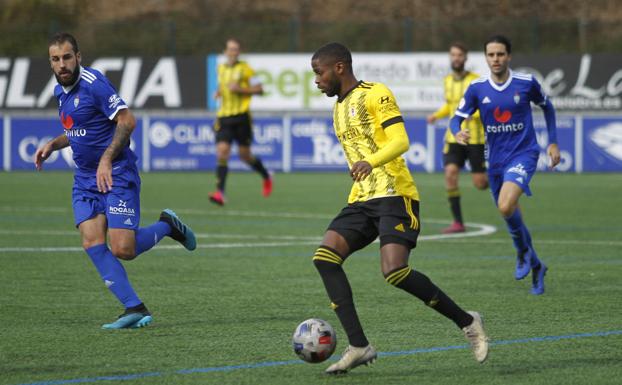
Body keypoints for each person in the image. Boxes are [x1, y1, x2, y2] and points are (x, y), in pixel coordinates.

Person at [310, 42, 488, 375]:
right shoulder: (337, 108)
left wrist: (370, 161)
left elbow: (401, 141)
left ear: (339, 68)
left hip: (395, 193)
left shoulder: (376, 93)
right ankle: (359, 346)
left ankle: (468, 322)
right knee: (324, 258)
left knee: (394, 271)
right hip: (361, 198)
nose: (316, 81)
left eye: (318, 73)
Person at [35, 32, 197, 329]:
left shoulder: (95, 85)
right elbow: (79, 130)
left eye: (67, 57)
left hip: (117, 173)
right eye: (56, 59)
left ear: (79, 57)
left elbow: (127, 121)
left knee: (124, 249)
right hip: (85, 179)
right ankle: (133, 307)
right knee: (92, 242)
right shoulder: (61, 90)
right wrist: (53, 145)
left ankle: (168, 226)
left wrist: (107, 159)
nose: (62, 64)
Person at [450, 35, 560, 295]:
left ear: (509, 56)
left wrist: (553, 143)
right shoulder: (477, 88)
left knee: (505, 205)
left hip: (524, 154)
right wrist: (457, 132)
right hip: (496, 160)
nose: (495, 59)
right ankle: (536, 264)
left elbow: (548, 107)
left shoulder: (526, 83)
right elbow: (456, 119)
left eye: (500, 54)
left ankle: (522, 252)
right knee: (509, 212)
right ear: (486, 57)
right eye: (491, 55)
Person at [427, 42, 488, 233]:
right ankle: (458, 222)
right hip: (454, 138)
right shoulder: (447, 81)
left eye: (459, 55)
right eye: (453, 55)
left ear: (466, 57)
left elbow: (486, 107)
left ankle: (498, 182)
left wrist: (474, 115)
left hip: (475, 138)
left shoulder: (477, 81)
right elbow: (451, 105)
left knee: (480, 184)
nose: (456, 58)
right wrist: (437, 115)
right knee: (450, 173)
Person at [209, 38, 272, 206]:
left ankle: (266, 176)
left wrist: (240, 90)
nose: (233, 52)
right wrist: (219, 93)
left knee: (244, 156)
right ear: (225, 52)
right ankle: (220, 193)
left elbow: (260, 89)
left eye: (236, 49)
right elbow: (223, 87)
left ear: (239, 52)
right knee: (222, 151)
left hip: (242, 117)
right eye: (230, 49)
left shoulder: (246, 70)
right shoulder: (220, 68)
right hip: (224, 117)